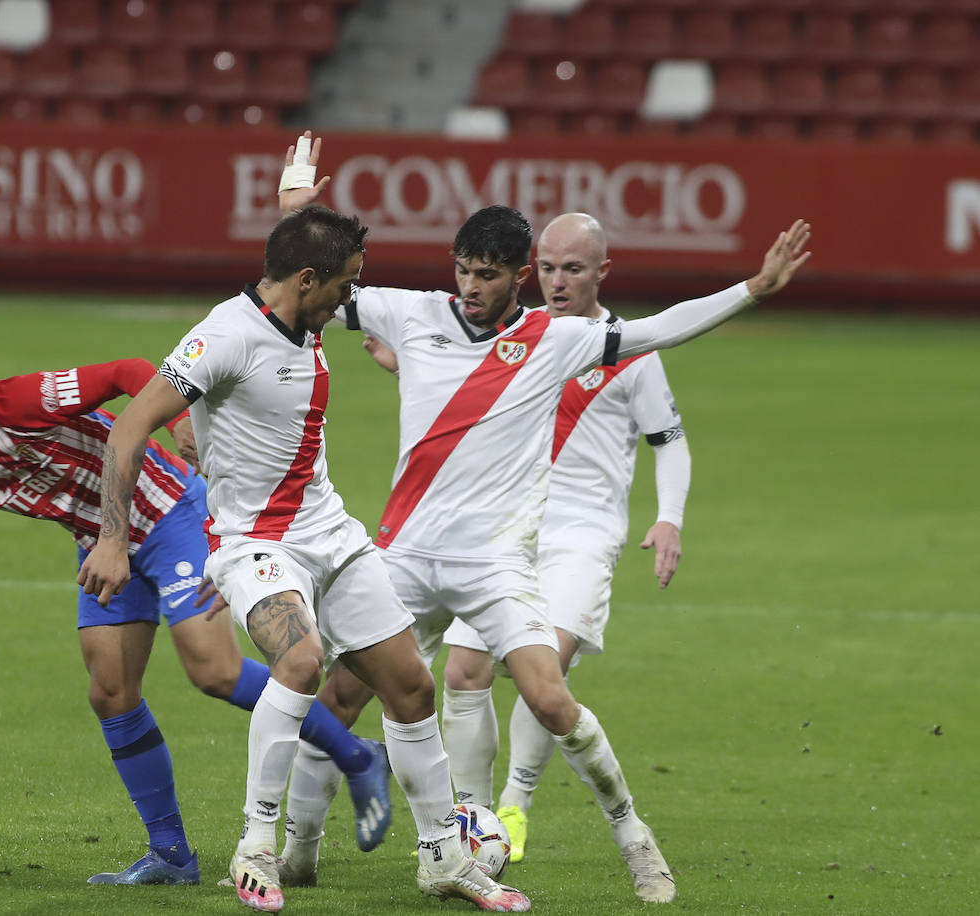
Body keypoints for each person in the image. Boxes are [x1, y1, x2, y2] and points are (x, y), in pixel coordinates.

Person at [273, 132, 810, 904]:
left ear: (518, 276)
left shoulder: (559, 340)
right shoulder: (408, 312)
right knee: (340, 698)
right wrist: (298, 209)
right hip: (405, 553)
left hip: (494, 563)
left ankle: (635, 839)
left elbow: (660, 329)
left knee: (551, 699)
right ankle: (299, 849)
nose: (468, 287)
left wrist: (751, 289)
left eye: (485, 275)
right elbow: (309, 286)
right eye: (461, 270)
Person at [78, 207, 532, 913]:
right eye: (345, 284)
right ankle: (257, 845)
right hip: (257, 542)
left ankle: (444, 856)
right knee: (299, 661)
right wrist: (112, 537)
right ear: (308, 279)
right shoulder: (225, 335)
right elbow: (129, 428)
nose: (351, 300)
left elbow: (296, 256)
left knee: (411, 686)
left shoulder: (304, 311)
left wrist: (297, 207)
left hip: (332, 534)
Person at [0, 347, 393, 887]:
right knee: (110, 691)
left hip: (172, 511)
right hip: (104, 545)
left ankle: (356, 756)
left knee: (213, 671)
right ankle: (172, 855)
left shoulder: (21, 404)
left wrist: (177, 421)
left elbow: (126, 371)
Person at [436, 212, 691, 867]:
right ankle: (475, 820)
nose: (556, 281)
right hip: (507, 531)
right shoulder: (515, 338)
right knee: (463, 671)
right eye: (546, 267)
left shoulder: (627, 347)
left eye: (572, 269)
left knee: (539, 674)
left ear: (601, 272)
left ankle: (516, 802)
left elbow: (669, 441)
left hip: (583, 535)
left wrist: (669, 517)